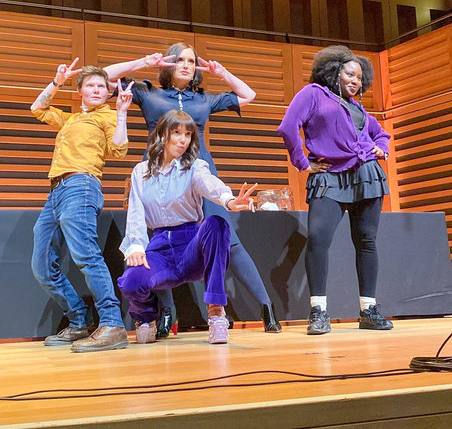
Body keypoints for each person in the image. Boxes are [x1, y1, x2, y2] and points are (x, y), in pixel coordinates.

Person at [105, 43, 281, 335]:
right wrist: (144, 62)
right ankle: (166, 314)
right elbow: (104, 76)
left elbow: (248, 95)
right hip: (158, 172)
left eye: (191, 60)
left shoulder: (203, 98)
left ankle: (265, 307)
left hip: (198, 171)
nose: (186, 65)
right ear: (168, 64)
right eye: (180, 60)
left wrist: (221, 72)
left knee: (226, 236)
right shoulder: (149, 93)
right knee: (154, 242)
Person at [277, 45, 394, 335]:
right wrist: (303, 163)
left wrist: (382, 148)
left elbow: (380, 133)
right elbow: (288, 127)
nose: (355, 81)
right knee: (318, 238)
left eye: (360, 77)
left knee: (366, 241)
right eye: (349, 74)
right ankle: (318, 311)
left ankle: (368, 311)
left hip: (367, 175)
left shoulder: (358, 108)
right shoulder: (313, 94)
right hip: (329, 177)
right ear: (334, 71)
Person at [117, 110, 257, 345]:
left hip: (192, 247)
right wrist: (136, 247)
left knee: (216, 224)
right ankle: (146, 317)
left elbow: (208, 183)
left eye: (188, 134)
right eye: (177, 132)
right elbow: (136, 213)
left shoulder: (195, 166)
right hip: (160, 248)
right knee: (131, 281)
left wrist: (229, 200)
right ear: (163, 134)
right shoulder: (141, 172)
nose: (183, 140)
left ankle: (216, 311)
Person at [31, 59, 134, 352]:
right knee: (41, 265)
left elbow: (119, 150)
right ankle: (79, 320)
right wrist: (57, 81)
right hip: (55, 192)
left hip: (82, 186)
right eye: (90, 85)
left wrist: (122, 113)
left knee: (87, 256)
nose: (97, 89)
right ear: (80, 91)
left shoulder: (108, 116)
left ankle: (112, 324)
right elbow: (37, 108)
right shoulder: (71, 119)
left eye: (102, 86)